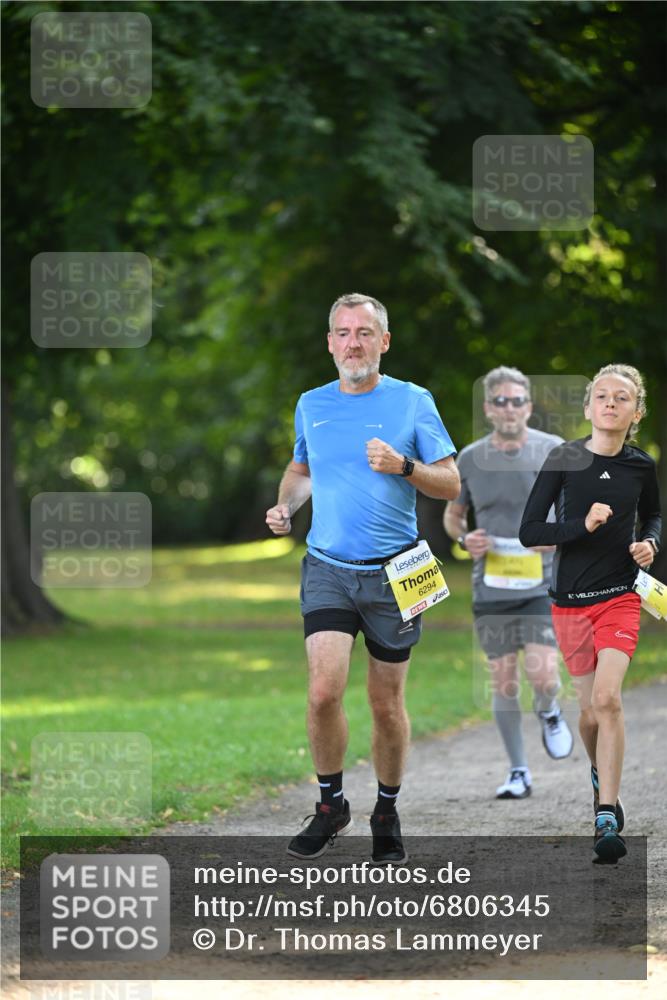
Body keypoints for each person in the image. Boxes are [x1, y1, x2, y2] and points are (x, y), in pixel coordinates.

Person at [266, 293, 459, 863]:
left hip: (400, 573)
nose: (354, 342)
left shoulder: (412, 401)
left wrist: (403, 465)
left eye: (365, 332)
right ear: (330, 342)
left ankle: (386, 806)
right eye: (343, 333)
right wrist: (286, 507)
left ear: (384, 341)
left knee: (385, 702)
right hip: (328, 567)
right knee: (323, 691)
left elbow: (449, 482)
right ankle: (331, 804)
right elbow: (301, 469)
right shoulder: (311, 404)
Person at [520, 364, 661, 863]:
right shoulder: (564, 458)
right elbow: (530, 530)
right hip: (569, 604)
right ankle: (601, 773)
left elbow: (655, 516)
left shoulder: (641, 466)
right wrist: (580, 524)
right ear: (588, 407)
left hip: (620, 596)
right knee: (587, 716)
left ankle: (606, 813)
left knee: (608, 700)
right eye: (601, 396)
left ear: (636, 412)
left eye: (621, 398)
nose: (610, 404)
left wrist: (651, 543)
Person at [444, 366, 573, 802]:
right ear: (488, 408)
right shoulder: (469, 458)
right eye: (500, 401)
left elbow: (577, 513)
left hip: (542, 582)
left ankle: (550, 711)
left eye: (517, 400)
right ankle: (518, 770)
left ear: (529, 406)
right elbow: (453, 516)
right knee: (502, 682)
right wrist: (465, 539)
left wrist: (554, 537)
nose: (509, 408)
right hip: (491, 587)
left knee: (543, 675)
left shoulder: (553, 450)